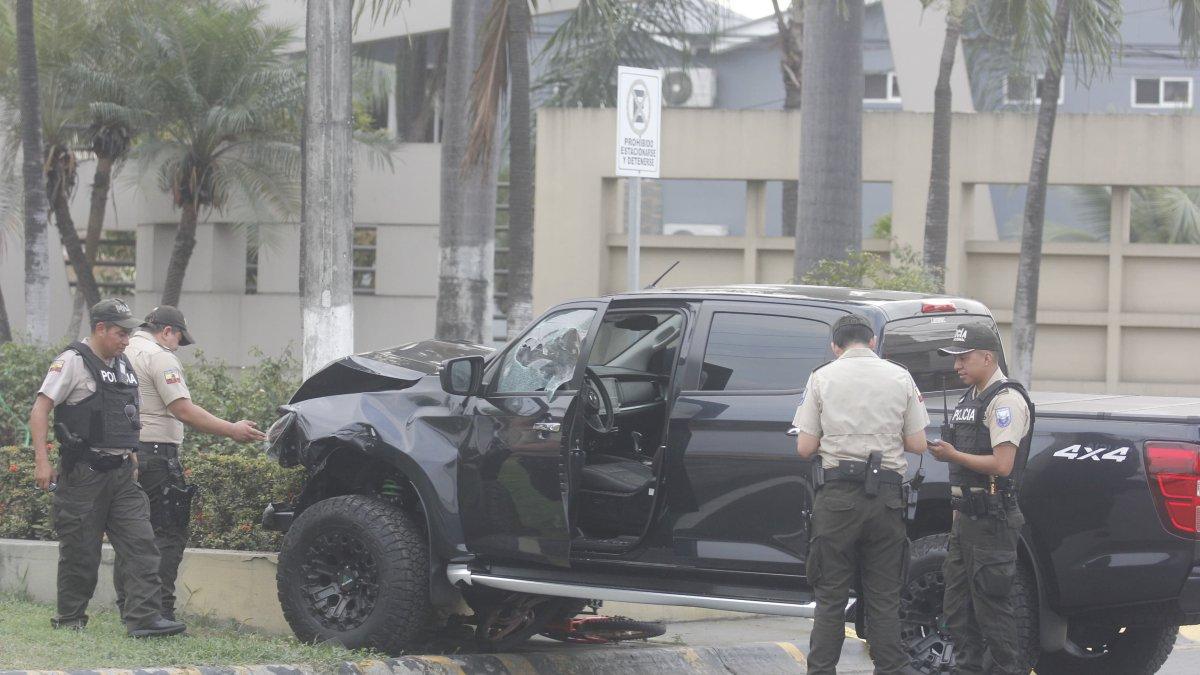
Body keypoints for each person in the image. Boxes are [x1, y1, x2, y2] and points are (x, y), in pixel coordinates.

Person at [28, 299, 186, 638]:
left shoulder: (123, 363)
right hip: (84, 473)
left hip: (122, 473)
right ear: (100, 328)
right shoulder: (72, 362)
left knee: (142, 543)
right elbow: (40, 409)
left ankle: (144, 619)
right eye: (120, 332)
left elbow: (125, 413)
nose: (126, 339)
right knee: (81, 551)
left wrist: (130, 453)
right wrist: (42, 459)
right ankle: (70, 618)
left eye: (129, 333)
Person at [793, 314, 928, 675]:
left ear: (835, 346)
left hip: (836, 499)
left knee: (831, 597)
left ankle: (821, 671)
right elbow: (917, 443)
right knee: (884, 598)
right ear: (872, 343)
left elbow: (805, 447)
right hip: (886, 498)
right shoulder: (900, 376)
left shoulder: (822, 377)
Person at [114, 305, 267, 621]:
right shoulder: (159, 356)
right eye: (178, 339)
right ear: (167, 331)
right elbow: (183, 409)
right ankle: (159, 610)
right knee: (168, 531)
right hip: (156, 457)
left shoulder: (121, 351)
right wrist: (232, 429)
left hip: (123, 455)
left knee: (131, 531)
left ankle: (129, 606)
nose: (177, 347)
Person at [927, 322, 1035, 675]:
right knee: (957, 609)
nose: (957, 365)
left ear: (987, 357)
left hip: (992, 522)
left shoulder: (1005, 401)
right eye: (954, 359)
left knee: (993, 611)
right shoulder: (968, 399)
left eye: (964, 358)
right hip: (966, 521)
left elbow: (1002, 465)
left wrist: (952, 455)